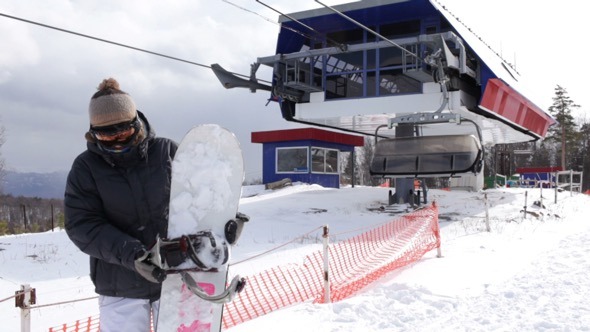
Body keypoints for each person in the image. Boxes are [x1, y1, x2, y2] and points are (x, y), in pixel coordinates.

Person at [64, 78, 177, 331]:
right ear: (92, 132)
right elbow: (82, 225)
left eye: (123, 132)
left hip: (174, 276)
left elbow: (200, 199)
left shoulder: (166, 152)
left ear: (136, 123)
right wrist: (133, 255)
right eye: (106, 134)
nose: (116, 141)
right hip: (120, 284)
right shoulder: (86, 168)